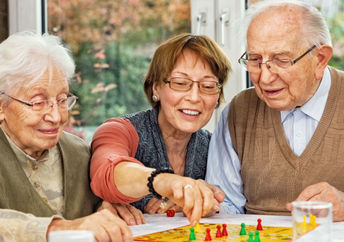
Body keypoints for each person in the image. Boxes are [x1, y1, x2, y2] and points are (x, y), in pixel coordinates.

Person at [206, 0, 344, 222]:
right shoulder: (238, 111)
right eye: (255, 59)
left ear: (320, 59)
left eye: (281, 60)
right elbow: (224, 206)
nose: (265, 77)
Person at [0, 31, 132, 242]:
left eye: (62, 100)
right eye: (37, 102)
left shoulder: (80, 154)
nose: (55, 116)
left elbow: (97, 210)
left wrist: (106, 209)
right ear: (1, 106)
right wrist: (60, 228)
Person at [90, 33, 230, 226]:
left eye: (208, 86)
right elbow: (105, 173)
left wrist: (211, 202)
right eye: (180, 83)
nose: (195, 97)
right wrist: (167, 183)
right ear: (156, 88)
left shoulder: (215, 145)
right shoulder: (119, 131)